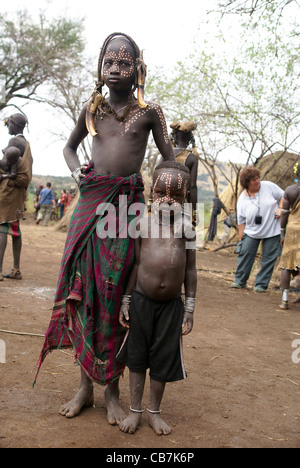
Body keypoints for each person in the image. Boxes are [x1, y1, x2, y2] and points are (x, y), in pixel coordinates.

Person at [35, 33, 174, 426]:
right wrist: (75, 170)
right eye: (109, 62)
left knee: (114, 297)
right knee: (84, 291)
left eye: (124, 62)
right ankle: (84, 387)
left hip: (126, 209)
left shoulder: (150, 113)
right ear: (100, 67)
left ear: (138, 69)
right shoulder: (91, 109)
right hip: (90, 202)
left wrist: (170, 205)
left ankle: (111, 391)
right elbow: (69, 148)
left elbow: (169, 161)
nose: (115, 69)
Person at [117, 161, 197, 436]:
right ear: (152, 191)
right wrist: (126, 300)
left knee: (163, 359)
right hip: (140, 302)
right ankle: (135, 410)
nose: (167, 199)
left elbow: (190, 269)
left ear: (186, 196)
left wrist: (190, 307)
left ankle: (154, 412)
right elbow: (136, 265)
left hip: (171, 308)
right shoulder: (142, 224)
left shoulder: (187, 228)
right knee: (137, 357)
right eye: (161, 191)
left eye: (176, 195)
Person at [231, 166, 284, 292]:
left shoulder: (269, 186)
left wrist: (281, 208)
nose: (257, 181)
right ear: (247, 183)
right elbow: (241, 221)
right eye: (254, 179)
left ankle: (261, 284)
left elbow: (283, 196)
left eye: (258, 178)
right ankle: (240, 281)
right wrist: (241, 239)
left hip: (272, 229)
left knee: (268, 258)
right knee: (245, 254)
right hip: (251, 231)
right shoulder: (242, 199)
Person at [0, 113, 33, 281]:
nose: (8, 127)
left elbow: (5, 165)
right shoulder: (26, 143)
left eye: (9, 124)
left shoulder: (14, 142)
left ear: (15, 125)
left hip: (8, 192)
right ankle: (16, 269)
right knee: (15, 230)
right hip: (18, 194)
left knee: (2, 228)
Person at [278, 162, 300, 309]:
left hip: (292, 231)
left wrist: (282, 233)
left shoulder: (290, 190)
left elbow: (284, 214)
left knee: (287, 264)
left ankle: (284, 300)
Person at [170, 121, 199, 224]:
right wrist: (195, 211)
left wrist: (151, 201)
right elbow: (192, 187)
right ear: (190, 138)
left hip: (162, 201)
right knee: (188, 236)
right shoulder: (192, 158)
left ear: (175, 136)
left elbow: (155, 179)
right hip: (182, 203)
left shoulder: (166, 154)